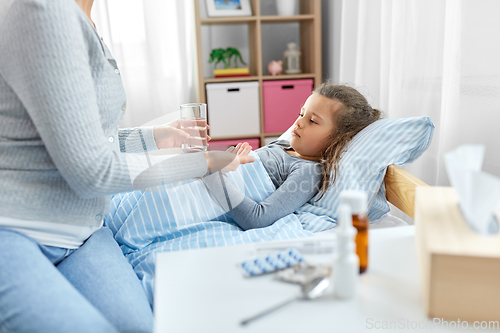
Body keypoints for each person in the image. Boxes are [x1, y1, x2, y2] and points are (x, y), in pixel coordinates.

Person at [0, 0, 252, 332]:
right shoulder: (44, 10)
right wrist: (204, 162)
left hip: (86, 233)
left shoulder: (84, 18)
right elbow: (92, 172)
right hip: (17, 229)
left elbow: (89, 138)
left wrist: (156, 135)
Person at [201, 83, 382, 230]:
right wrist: (230, 162)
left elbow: (257, 218)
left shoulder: (309, 171)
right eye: (301, 113)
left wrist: (211, 172)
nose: (298, 122)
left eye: (312, 120)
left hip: (204, 191)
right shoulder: (282, 145)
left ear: (338, 139)